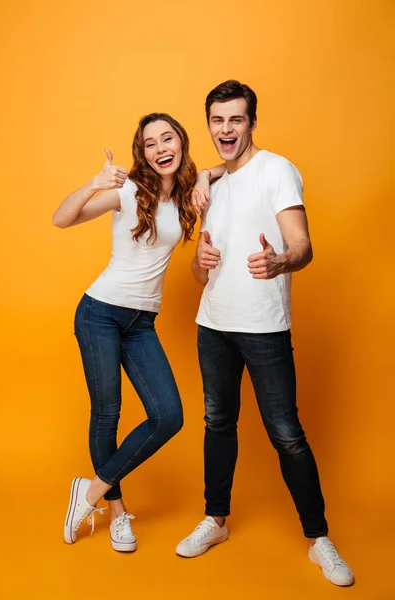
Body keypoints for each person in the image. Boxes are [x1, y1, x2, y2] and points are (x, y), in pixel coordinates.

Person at [176, 81, 354, 587]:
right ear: (208, 124)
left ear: (252, 122)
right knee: (217, 424)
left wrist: (280, 261)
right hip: (213, 324)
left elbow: (303, 245)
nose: (226, 129)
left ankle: (319, 540)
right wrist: (198, 262)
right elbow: (200, 270)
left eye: (236, 119)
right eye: (217, 120)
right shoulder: (211, 185)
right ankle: (216, 520)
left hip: (263, 327)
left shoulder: (277, 170)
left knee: (286, 434)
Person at [53, 113, 220, 552]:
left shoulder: (188, 195)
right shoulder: (129, 190)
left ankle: (87, 492)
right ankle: (116, 512)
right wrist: (94, 182)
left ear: (181, 143)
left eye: (169, 139)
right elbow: (61, 218)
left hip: (142, 322)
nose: (161, 148)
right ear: (141, 152)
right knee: (107, 414)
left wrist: (204, 173)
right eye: (151, 143)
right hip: (100, 313)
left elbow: (229, 164)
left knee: (168, 416)